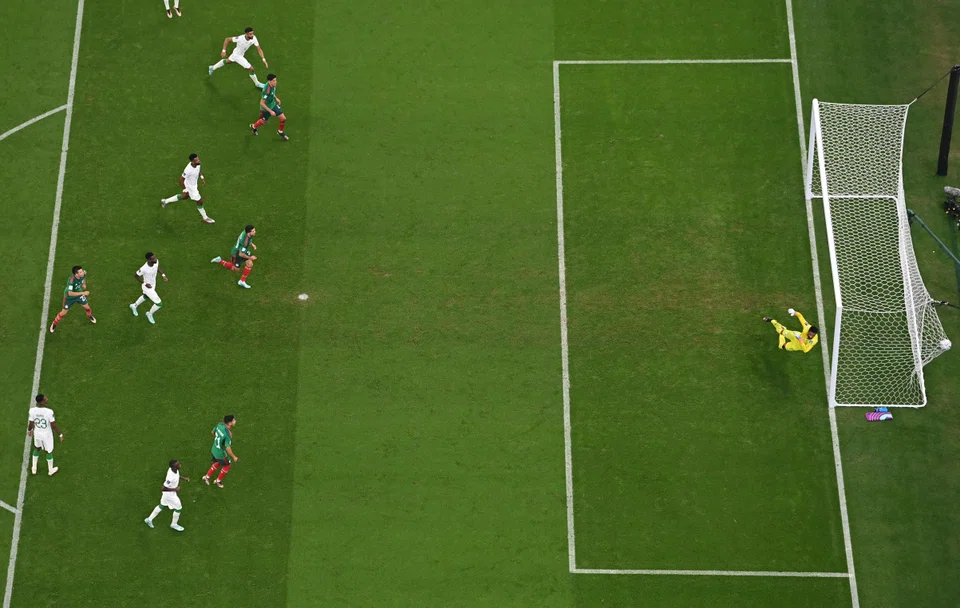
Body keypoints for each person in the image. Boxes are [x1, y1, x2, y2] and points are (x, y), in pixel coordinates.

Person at [161, 153, 215, 224]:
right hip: (190, 186)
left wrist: (202, 177)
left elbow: (199, 170)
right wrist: (185, 189)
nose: (199, 161)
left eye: (198, 159)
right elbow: (181, 180)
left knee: (185, 196)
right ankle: (205, 217)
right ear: (192, 161)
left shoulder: (197, 164)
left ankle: (165, 201)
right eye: (197, 160)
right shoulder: (188, 170)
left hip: (193, 184)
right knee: (199, 201)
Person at [144, 460, 190, 531]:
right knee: (179, 509)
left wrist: (184, 478)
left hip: (167, 494)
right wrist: (175, 489)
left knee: (161, 506)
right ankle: (174, 524)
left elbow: (177, 475)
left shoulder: (173, 470)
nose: (180, 464)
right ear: (174, 467)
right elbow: (163, 488)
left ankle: (149, 519)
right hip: (169, 495)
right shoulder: (170, 477)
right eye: (178, 464)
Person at [50, 265, 96, 333]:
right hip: (69, 298)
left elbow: (84, 278)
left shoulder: (83, 274)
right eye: (80, 272)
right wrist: (83, 293)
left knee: (87, 307)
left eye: (82, 271)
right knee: (63, 313)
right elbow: (70, 293)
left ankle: (89, 315)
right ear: (76, 274)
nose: (83, 272)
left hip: (79, 294)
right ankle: (54, 323)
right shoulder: (71, 281)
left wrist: (84, 284)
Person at [211, 224, 257, 289]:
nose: (255, 232)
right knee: (235, 269)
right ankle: (219, 260)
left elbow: (249, 239)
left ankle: (242, 281)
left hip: (242, 250)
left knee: (250, 264)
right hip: (237, 253)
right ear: (248, 232)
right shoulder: (244, 241)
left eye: (254, 230)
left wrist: (252, 244)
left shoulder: (248, 233)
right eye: (253, 231)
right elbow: (241, 254)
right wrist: (250, 257)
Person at [27, 395, 63, 477]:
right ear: (42, 402)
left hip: (37, 434)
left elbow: (31, 423)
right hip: (46, 436)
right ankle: (50, 470)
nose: (47, 398)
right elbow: (53, 425)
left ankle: (34, 468)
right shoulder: (49, 412)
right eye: (45, 398)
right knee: (48, 451)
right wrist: (60, 434)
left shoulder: (32, 410)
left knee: (37, 448)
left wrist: (29, 430)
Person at [130, 252, 169, 324]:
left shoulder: (156, 261)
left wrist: (163, 275)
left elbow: (157, 267)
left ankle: (134, 306)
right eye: (153, 258)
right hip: (147, 287)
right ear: (149, 260)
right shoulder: (144, 268)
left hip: (153, 284)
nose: (155, 259)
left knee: (146, 296)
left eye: (155, 257)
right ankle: (149, 313)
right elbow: (136, 276)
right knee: (159, 304)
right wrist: (145, 283)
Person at [202, 415, 239, 488]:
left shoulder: (219, 425)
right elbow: (228, 448)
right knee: (227, 465)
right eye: (234, 420)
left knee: (218, 462)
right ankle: (218, 481)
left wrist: (219, 441)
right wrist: (234, 457)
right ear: (229, 422)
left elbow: (212, 432)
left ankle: (207, 476)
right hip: (220, 453)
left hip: (214, 449)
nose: (235, 421)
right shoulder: (228, 434)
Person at [249, 74, 289, 141]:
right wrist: (270, 111)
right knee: (264, 121)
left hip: (273, 104)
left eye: (275, 80)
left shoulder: (273, 85)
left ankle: (280, 131)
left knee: (283, 118)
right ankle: (254, 126)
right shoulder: (266, 91)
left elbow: (272, 93)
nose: (275, 82)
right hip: (267, 108)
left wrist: (276, 98)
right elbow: (262, 103)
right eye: (273, 81)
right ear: (269, 81)